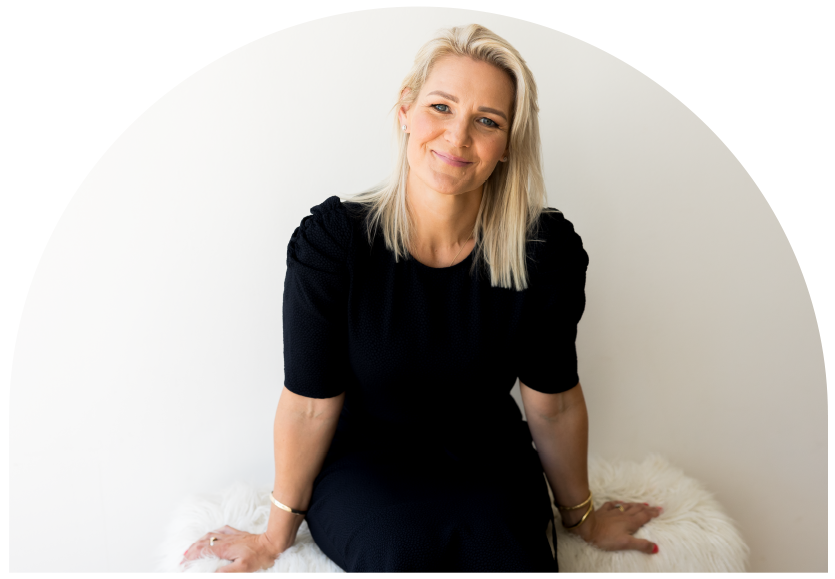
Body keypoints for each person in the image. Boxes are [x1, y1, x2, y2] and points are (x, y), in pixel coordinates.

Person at [182, 23, 661, 572]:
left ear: (506, 146)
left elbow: (552, 404)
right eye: (441, 107)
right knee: (397, 551)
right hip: (363, 465)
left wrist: (582, 517)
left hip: (489, 461)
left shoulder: (541, 251)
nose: (457, 138)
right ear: (405, 110)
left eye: (487, 121)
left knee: (505, 552)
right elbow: (310, 404)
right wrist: (274, 537)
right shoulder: (334, 242)